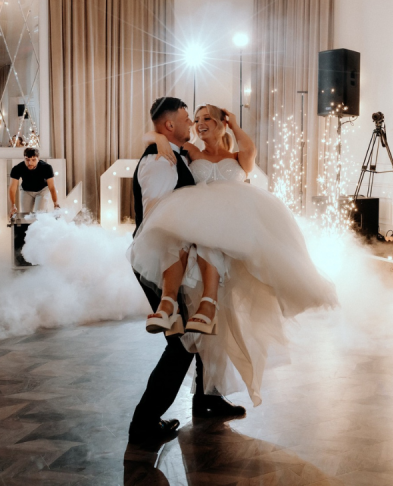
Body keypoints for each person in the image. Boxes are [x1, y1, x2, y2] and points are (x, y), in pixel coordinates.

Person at [130, 101, 337, 412]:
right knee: (196, 332)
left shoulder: (235, 157)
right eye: (194, 119)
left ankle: (208, 398)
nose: (198, 123)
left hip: (229, 243)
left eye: (206, 118)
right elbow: (157, 140)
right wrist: (157, 138)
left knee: (220, 322)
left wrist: (234, 124)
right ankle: (177, 409)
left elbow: (248, 150)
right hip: (194, 244)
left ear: (221, 123)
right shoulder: (186, 153)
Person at [127, 97, 247, 444]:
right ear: (169, 126)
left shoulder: (174, 154)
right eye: (185, 119)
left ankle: (207, 399)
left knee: (203, 325)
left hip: (179, 258)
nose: (191, 125)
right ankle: (144, 423)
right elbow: (159, 218)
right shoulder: (160, 161)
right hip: (160, 261)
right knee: (181, 344)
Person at [8, 148, 59, 216]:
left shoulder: (46, 167)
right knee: (26, 216)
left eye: (33, 160)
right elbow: (12, 188)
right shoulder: (17, 168)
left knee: (40, 215)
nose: (30, 163)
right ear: (24, 158)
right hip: (26, 191)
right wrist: (12, 205)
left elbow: (52, 187)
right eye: (27, 159)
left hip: (42, 191)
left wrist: (55, 203)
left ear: (38, 159)